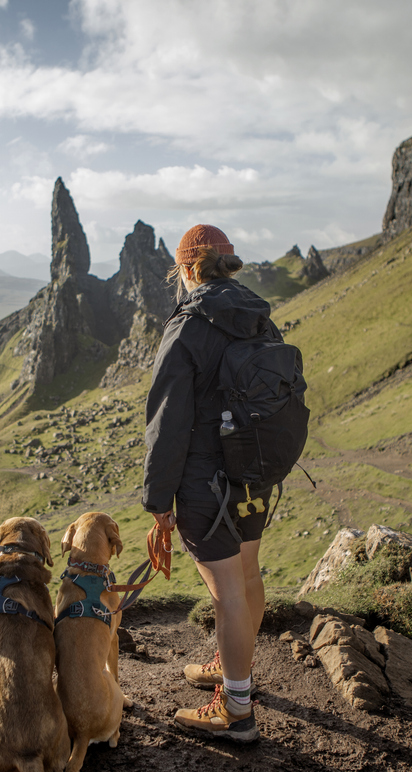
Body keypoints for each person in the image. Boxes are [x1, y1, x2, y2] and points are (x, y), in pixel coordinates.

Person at [142, 224, 278, 743]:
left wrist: (159, 503)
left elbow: (167, 421)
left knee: (226, 596)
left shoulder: (188, 326)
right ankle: (230, 668)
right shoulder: (259, 316)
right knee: (246, 576)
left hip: (206, 480)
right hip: (255, 472)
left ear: (187, 268)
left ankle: (236, 710)